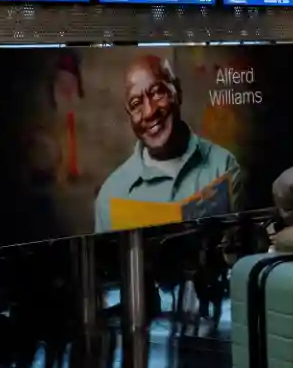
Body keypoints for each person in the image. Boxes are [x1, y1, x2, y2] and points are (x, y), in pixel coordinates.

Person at [93, 52, 244, 233]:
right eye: (136, 104)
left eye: (157, 93)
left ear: (177, 92)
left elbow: (241, 254)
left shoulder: (224, 167)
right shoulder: (110, 194)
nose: (149, 112)